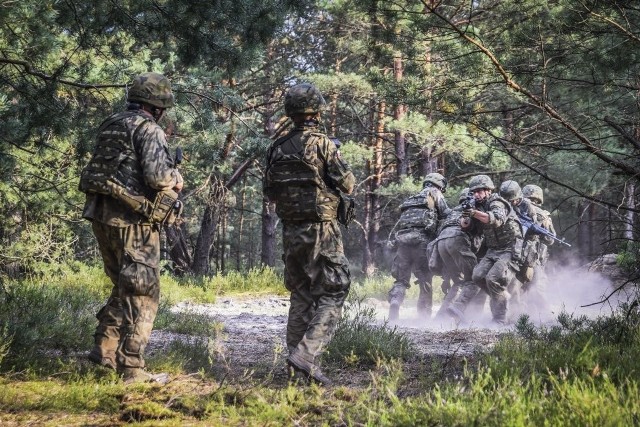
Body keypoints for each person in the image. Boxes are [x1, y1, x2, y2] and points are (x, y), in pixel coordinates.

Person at [79, 72, 184, 384]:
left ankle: (104, 349)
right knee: (143, 292)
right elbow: (158, 179)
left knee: (123, 285)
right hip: (133, 221)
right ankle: (132, 368)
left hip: (101, 216)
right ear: (159, 106)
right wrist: (175, 177)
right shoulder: (149, 129)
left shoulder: (111, 124)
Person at [263, 82, 355, 386]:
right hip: (321, 229)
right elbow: (348, 184)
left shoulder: (277, 147)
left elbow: (269, 191)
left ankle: (296, 369)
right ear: (317, 111)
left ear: (291, 112)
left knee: (301, 294)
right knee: (333, 289)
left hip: (291, 230)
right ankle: (306, 354)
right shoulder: (323, 144)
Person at [446, 175, 523, 325]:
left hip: (510, 248)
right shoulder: (477, 206)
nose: (476, 194)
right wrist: (466, 215)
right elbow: (467, 227)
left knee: (493, 279)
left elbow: (494, 220)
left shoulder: (497, 202)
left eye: (479, 191)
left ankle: (500, 319)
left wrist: (474, 212)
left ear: (488, 191)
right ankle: (501, 297)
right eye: (474, 191)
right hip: (494, 249)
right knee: (477, 276)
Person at [387, 173, 450, 321]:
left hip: (403, 242)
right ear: (438, 185)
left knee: (401, 280)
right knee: (425, 280)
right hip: (421, 242)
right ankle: (424, 317)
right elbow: (446, 213)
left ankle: (395, 303)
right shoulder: (434, 193)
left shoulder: (411, 200)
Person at [430, 188, 485, 318]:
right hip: (457, 241)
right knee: (475, 279)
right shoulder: (475, 211)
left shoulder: (452, 212)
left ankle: (442, 317)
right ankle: (459, 309)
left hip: (441, 243)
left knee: (459, 282)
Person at [520, 184, 556, 311]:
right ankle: (546, 316)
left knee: (518, 289)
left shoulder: (515, 210)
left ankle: (519, 317)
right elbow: (550, 239)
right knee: (537, 288)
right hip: (534, 259)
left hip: (516, 256)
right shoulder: (543, 215)